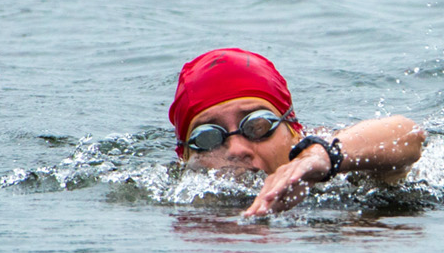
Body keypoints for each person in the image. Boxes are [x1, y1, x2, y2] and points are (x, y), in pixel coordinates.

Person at [168, 48, 425, 217]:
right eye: (208, 137)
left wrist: (323, 157)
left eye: (257, 126)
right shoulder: (184, 201)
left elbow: (408, 134)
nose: (237, 149)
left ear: (293, 130)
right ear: (186, 156)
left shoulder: (330, 165)